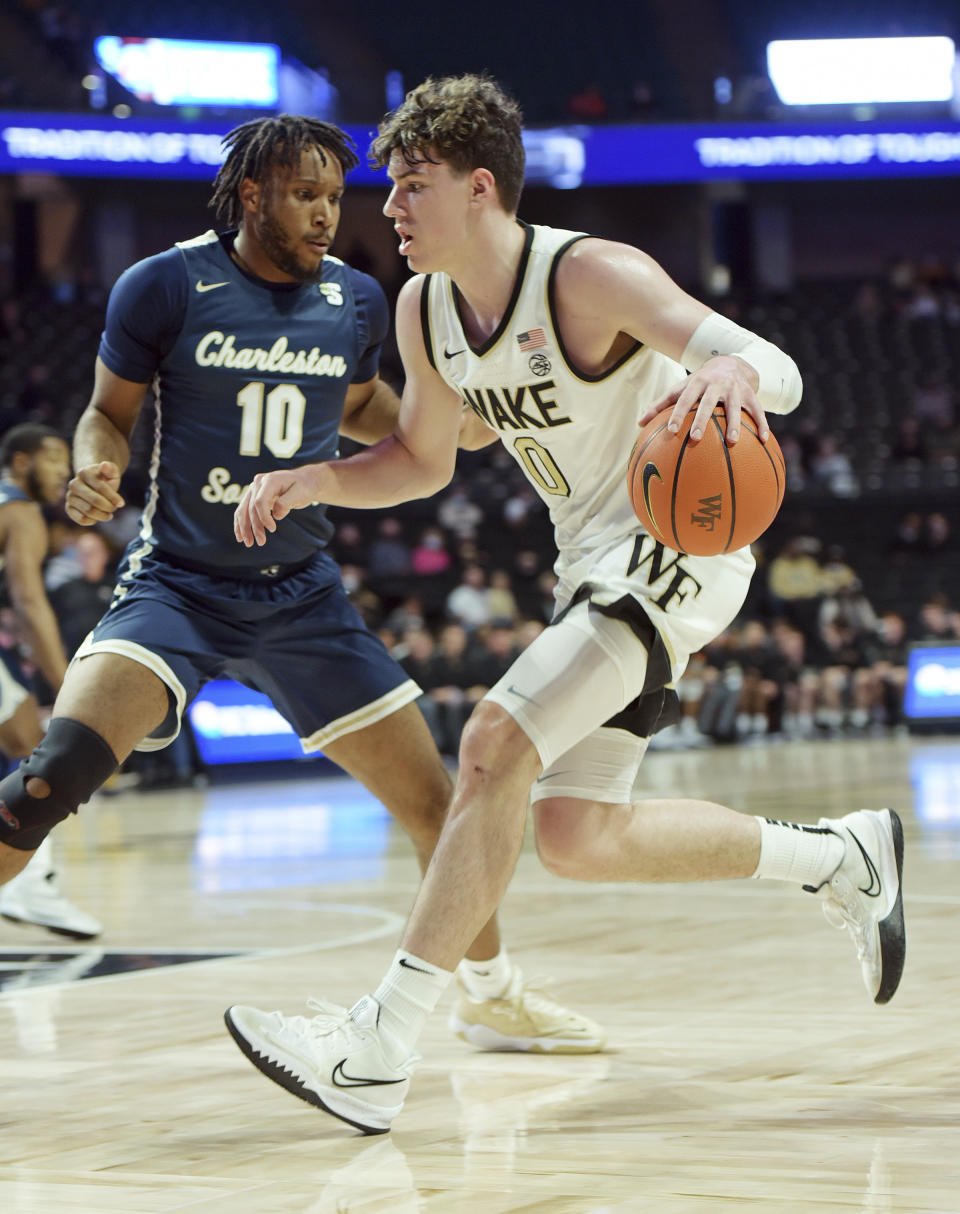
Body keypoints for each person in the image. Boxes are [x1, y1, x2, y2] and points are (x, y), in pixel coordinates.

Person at [226, 76, 906, 1136]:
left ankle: (376, 1045)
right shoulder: (424, 308)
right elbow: (419, 458)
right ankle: (843, 856)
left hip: (674, 545)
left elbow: (770, 365)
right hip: (588, 562)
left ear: (481, 187)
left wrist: (729, 374)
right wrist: (308, 477)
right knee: (579, 834)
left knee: (494, 741)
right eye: (391, 188)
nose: (390, 209)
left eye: (412, 186)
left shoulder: (590, 273)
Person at [0, 116, 603, 1054]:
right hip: (178, 588)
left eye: (333, 197)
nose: (327, 214)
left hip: (301, 597)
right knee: (48, 782)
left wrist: (469, 419)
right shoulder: (164, 283)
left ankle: (491, 993)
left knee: (439, 808)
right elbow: (105, 415)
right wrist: (94, 466)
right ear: (252, 195)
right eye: (304, 195)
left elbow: (367, 409)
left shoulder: (358, 300)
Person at [0, 424, 101, 939]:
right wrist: (66, 683)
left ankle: (29, 882)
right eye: (54, 459)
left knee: (22, 742)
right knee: (40, 752)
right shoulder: (18, 510)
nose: (64, 472)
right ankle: (29, 884)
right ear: (21, 462)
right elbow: (29, 601)